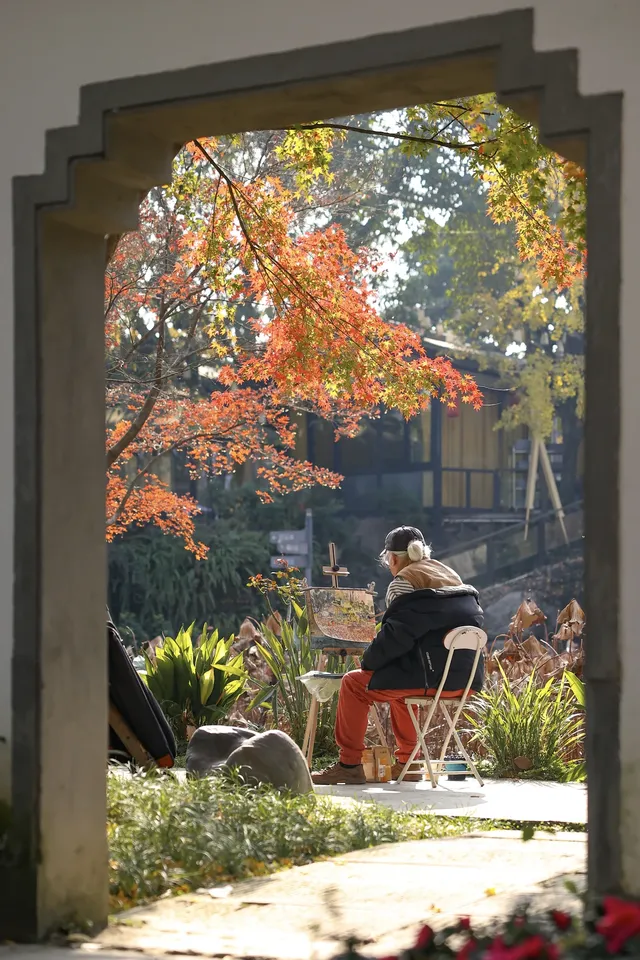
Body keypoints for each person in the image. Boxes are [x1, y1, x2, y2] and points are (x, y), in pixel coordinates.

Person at [312, 525, 484, 785]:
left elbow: (396, 635)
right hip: (463, 680)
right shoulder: (452, 577)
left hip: (428, 678)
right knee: (400, 687)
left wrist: (369, 662)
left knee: (353, 683)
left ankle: (349, 765)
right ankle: (409, 763)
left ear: (392, 558)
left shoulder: (403, 582)